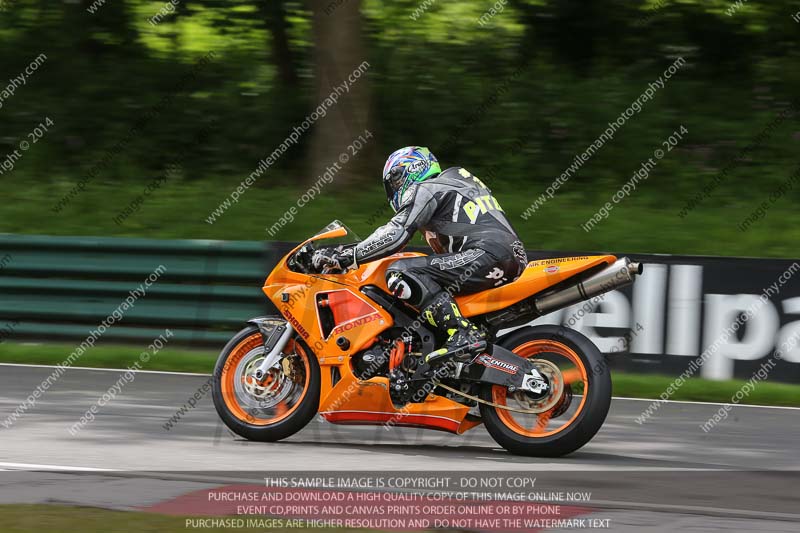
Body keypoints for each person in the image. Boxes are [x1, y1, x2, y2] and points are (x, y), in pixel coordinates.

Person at [312, 146, 527, 366]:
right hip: (504, 256)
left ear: (413, 168)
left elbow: (395, 233)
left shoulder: (428, 187)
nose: (393, 188)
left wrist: (348, 256)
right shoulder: (456, 183)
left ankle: (463, 334)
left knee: (401, 272)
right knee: (429, 287)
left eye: (395, 179)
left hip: (487, 254)